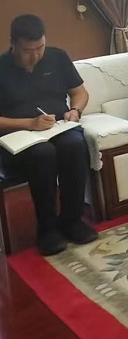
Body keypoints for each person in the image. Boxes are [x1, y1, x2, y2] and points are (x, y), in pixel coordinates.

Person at [0, 15, 97, 255]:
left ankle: (72, 220)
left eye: (40, 47)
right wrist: (29, 123)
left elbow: (80, 92)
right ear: (13, 44)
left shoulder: (57, 57)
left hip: (57, 127)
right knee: (43, 154)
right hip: (16, 136)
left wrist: (75, 110)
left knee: (75, 145)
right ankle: (47, 229)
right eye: (27, 50)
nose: (35, 55)